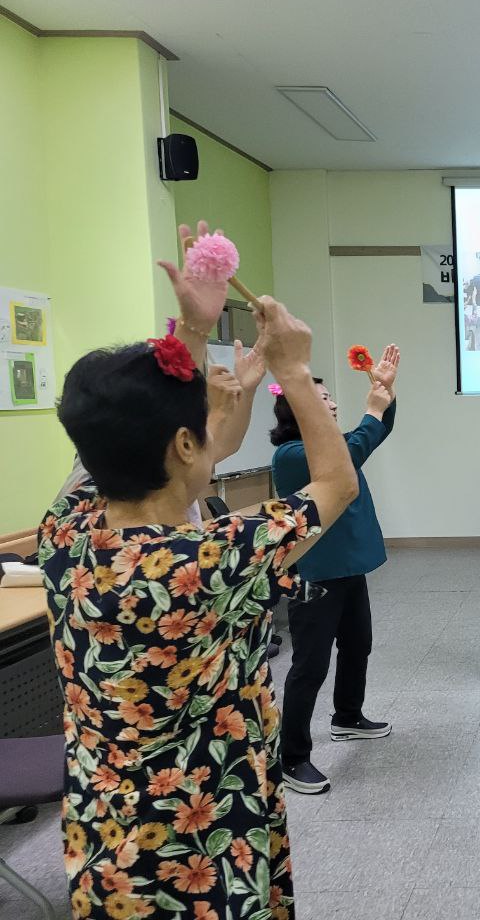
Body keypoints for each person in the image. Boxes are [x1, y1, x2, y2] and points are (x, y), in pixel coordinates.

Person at [40, 221, 357, 919]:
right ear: (185, 443)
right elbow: (335, 485)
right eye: (200, 424)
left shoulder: (63, 533)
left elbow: (165, 435)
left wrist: (193, 327)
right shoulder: (208, 559)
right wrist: (294, 371)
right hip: (206, 832)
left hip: (107, 830)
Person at [270, 345, 401, 795]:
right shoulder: (291, 454)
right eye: (321, 399)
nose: (330, 403)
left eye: (329, 398)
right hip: (315, 574)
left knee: (357, 644)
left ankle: (347, 716)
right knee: (309, 664)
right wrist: (371, 410)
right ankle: (293, 758)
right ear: (297, 410)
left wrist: (385, 395)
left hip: (349, 568)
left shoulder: (333, 444)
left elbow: (373, 435)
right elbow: (353, 450)